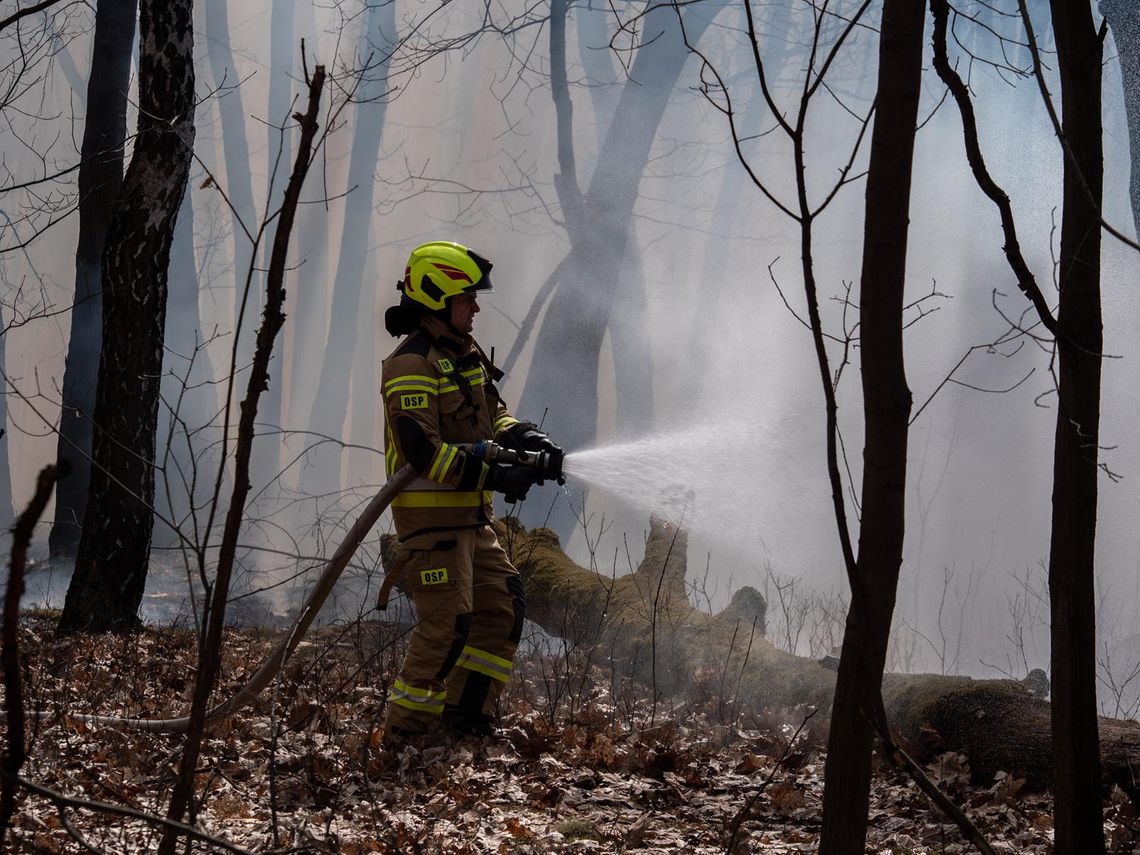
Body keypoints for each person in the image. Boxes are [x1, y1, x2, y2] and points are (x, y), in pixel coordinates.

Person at [378, 240, 561, 746]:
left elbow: (491, 414)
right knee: (445, 627)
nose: (477, 307)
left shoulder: (465, 355)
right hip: (431, 522)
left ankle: (465, 719)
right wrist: (498, 476)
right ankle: (405, 738)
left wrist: (523, 437)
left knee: (502, 609)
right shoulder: (409, 365)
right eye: (468, 298)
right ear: (438, 298)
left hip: (471, 519)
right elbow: (426, 455)